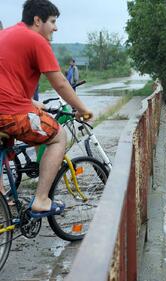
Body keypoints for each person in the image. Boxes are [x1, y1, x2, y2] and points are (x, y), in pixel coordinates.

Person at [0, 0, 93, 217]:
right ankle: (41, 200)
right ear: (37, 20)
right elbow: (59, 82)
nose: (56, 27)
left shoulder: (6, 35)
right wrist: (82, 109)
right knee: (58, 137)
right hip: (10, 112)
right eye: (52, 22)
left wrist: (31, 102)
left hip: (6, 109)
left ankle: (4, 201)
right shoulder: (36, 40)